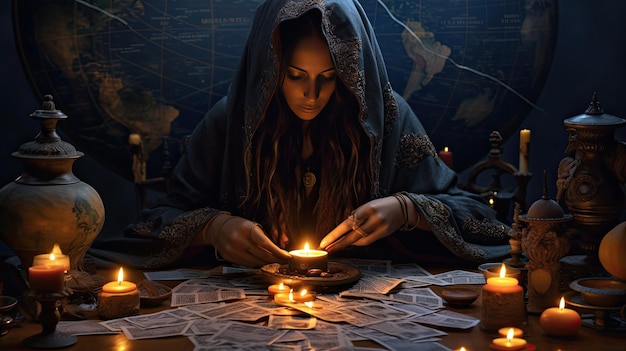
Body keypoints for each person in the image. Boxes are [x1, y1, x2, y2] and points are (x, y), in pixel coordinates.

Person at [89, 0, 510, 269]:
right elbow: (156, 222)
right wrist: (213, 229)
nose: (312, 95)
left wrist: (406, 210)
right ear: (271, 69)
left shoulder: (386, 118)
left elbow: (480, 219)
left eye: (329, 78)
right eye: (295, 76)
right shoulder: (231, 122)